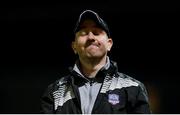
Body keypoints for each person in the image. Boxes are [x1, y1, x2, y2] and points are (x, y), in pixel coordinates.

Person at [40, 9, 151, 114]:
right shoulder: (54, 92)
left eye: (96, 32)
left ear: (109, 44)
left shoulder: (133, 88)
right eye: (83, 33)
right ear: (74, 46)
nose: (91, 37)